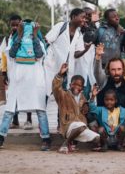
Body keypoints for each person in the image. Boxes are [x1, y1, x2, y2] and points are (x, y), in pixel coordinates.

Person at [0, 20, 51, 150]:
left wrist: (34, 36)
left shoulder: (38, 40)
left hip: (35, 81)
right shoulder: (15, 39)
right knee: (10, 109)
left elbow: (39, 54)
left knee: (40, 109)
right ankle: (1, 137)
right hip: (19, 80)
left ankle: (46, 138)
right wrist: (20, 35)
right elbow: (11, 54)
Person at [53, 63, 100, 153]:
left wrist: (92, 98)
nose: (76, 87)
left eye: (79, 86)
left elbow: (87, 108)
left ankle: (71, 142)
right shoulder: (63, 95)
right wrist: (60, 74)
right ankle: (65, 144)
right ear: (70, 85)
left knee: (97, 138)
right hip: (68, 125)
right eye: (74, 84)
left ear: (82, 88)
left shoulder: (83, 97)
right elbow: (56, 88)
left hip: (80, 125)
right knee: (81, 127)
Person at [44, 8, 86, 97]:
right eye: (82, 17)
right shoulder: (60, 26)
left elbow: (76, 54)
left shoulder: (79, 34)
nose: (84, 20)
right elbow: (47, 40)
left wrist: (86, 49)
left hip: (66, 71)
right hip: (52, 65)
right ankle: (42, 111)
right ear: (74, 17)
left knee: (63, 95)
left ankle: (61, 111)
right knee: (47, 92)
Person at [0, 15, 32, 130]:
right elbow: (3, 56)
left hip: (25, 71)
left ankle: (29, 120)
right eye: (12, 25)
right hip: (12, 72)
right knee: (14, 96)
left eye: (17, 25)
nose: (14, 27)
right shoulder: (7, 38)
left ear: (21, 24)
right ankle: (15, 120)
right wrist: (4, 73)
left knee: (27, 95)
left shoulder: (27, 37)